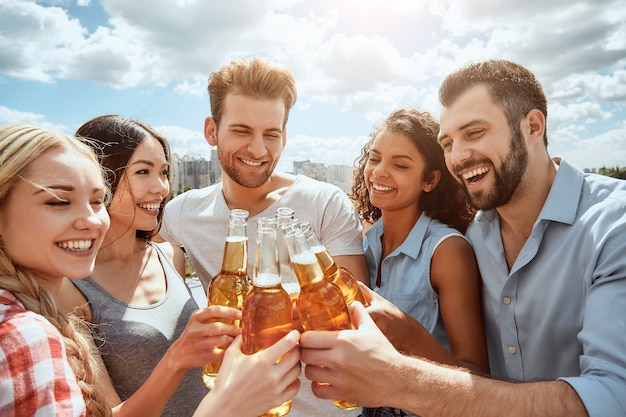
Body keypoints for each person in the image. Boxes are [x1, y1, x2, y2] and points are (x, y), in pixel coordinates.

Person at [299, 59, 626, 417]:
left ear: (533, 126)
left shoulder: (613, 225)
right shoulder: (477, 234)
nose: (458, 156)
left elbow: (613, 398)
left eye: (474, 133)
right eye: (448, 142)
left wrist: (400, 375)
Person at [0, 123, 301, 417]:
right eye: (143, 172)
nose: (160, 187)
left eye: (165, 172)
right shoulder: (50, 304)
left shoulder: (170, 254)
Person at [158, 56, 368, 417]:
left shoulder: (323, 202)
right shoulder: (180, 214)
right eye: (241, 131)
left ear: (284, 136)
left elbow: (354, 320)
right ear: (212, 130)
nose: (258, 150)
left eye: (271, 134)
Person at [350, 108, 489, 417]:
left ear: (430, 180)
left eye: (399, 164)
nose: (379, 172)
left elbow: (478, 376)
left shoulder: (447, 251)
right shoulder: (364, 241)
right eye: (374, 159)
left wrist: (411, 336)